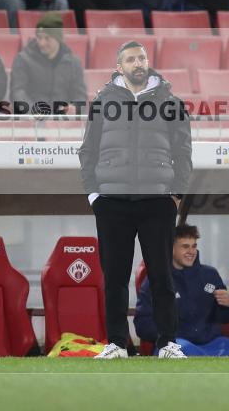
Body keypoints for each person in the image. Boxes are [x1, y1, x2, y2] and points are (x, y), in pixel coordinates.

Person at [78, 40, 192, 359]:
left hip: (157, 200)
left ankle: (168, 342)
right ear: (120, 67)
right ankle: (116, 343)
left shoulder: (170, 101)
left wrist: (176, 194)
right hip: (111, 202)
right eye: (130, 59)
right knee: (114, 276)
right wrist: (94, 195)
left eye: (141, 57)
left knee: (161, 275)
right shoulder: (102, 101)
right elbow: (87, 150)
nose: (138, 63)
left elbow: (184, 151)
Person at [135, 224, 229, 357]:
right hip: (176, 345)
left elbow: (224, 318)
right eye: (185, 246)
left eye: (194, 246)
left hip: (212, 343)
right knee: (182, 349)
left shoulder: (210, 274)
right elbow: (142, 325)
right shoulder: (156, 280)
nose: (191, 251)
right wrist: (170, 335)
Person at [8, 13, 86, 115]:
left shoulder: (73, 63)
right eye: (39, 38)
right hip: (32, 122)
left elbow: (80, 95)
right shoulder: (23, 60)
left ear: (58, 38)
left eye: (47, 38)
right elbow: (17, 93)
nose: (42, 43)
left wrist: (75, 107)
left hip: (62, 123)